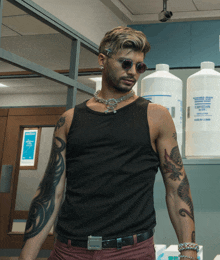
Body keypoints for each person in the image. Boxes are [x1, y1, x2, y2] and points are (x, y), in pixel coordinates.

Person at [19, 26, 198, 260]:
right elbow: (50, 192)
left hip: (130, 251)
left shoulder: (156, 116)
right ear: (103, 60)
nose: (133, 72)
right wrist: (27, 255)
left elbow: (177, 189)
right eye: (125, 63)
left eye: (139, 66)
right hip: (69, 250)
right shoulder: (70, 120)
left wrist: (189, 250)